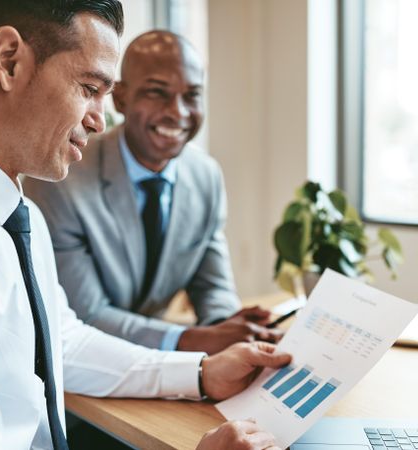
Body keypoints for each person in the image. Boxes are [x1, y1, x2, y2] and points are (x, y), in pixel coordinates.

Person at [0, 1, 290, 449]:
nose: (99, 119)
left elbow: (61, 342)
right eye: (89, 87)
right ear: (8, 61)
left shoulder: (15, 213)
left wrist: (200, 372)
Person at [24, 31, 282, 355]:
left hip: (162, 367)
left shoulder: (206, 176)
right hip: (80, 373)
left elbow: (212, 286)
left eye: (192, 95)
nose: (178, 112)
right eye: (157, 93)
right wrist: (189, 340)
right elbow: (85, 315)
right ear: (121, 99)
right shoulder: (62, 179)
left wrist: (230, 328)